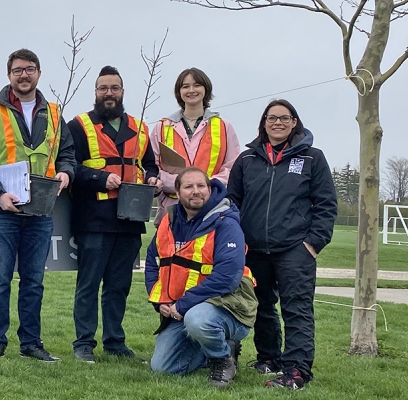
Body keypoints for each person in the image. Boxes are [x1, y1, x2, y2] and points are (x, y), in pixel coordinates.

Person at [0, 48, 76, 362]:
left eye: (29, 69)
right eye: (17, 70)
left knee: (34, 281)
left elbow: (67, 154)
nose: (24, 75)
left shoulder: (56, 114)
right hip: (2, 210)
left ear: (39, 73)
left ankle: (31, 343)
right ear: (9, 76)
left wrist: (66, 173)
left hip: (41, 210)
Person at [227, 99, 337, 390]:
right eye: (271, 118)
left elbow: (326, 205)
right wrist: (236, 240)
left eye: (284, 118)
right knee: (260, 306)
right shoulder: (247, 160)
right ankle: (269, 358)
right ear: (263, 123)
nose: (278, 123)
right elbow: (233, 202)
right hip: (254, 249)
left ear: (294, 123)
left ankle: (297, 371)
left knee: (296, 309)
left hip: (295, 250)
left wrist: (313, 244)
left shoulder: (313, 158)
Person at [68, 66, 161, 363]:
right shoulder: (79, 125)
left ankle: (115, 341)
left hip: (130, 220)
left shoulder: (140, 127)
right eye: (103, 88)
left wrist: (152, 179)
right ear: (95, 92)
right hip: (94, 217)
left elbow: (151, 164)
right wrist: (99, 178)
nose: (109, 93)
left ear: (122, 92)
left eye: (114, 88)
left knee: (119, 285)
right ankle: (83, 343)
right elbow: (69, 166)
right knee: (89, 284)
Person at [145, 167, 258, 388]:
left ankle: (223, 359)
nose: (196, 191)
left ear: (209, 188)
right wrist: (161, 302)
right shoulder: (169, 221)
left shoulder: (226, 222)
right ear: (177, 193)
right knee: (162, 367)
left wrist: (183, 304)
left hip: (230, 306)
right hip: (184, 308)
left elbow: (227, 277)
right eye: (188, 186)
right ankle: (213, 348)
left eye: (201, 186)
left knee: (198, 321)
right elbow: (152, 261)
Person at [150, 67, 240, 227]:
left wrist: (205, 185)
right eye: (185, 86)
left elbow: (233, 168)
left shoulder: (224, 127)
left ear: (206, 89)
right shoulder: (162, 127)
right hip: (170, 212)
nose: (191, 90)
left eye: (197, 85)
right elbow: (152, 167)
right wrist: (178, 183)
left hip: (212, 211)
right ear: (179, 92)